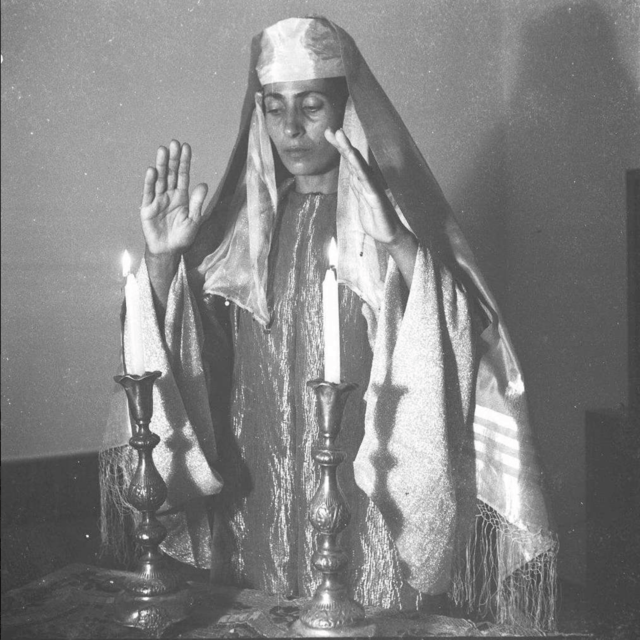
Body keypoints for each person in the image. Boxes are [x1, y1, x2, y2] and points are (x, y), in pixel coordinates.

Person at [101, 17, 557, 630]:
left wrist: (397, 243)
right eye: (274, 107)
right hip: (258, 506)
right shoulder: (239, 232)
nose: (291, 128)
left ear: (346, 109)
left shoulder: (388, 221)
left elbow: (461, 336)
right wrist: (163, 262)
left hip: (369, 513)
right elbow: (188, 363)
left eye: (311, 106)